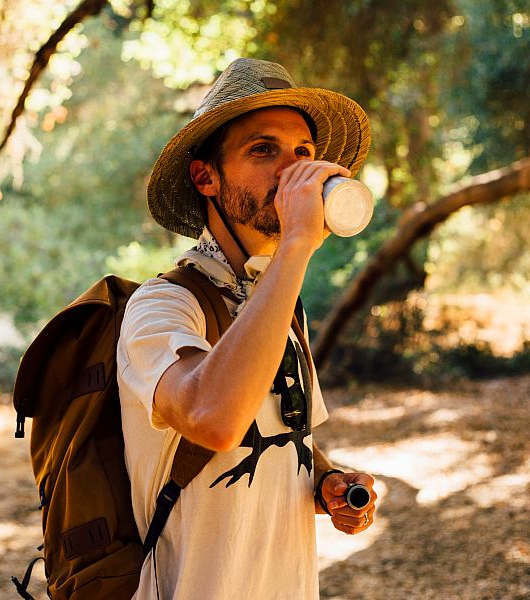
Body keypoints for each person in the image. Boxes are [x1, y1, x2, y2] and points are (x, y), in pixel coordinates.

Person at [117, 57, 378, 600]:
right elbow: (214, 421)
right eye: (264, 150)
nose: (292, 170)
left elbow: (289, 439)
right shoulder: (161, 306)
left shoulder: (279, 300)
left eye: (303, 153)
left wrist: (327, 481)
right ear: (205, 177)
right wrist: (299, 244)